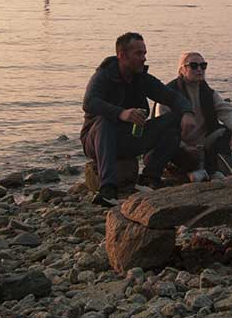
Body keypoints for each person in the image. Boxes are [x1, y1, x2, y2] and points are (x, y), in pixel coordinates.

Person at [82, 32, 193, 201]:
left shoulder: (142, 78)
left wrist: (187, 112)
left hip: (131, 137)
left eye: (145, 53)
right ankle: (108, 189)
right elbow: (89, 102)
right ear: (122, 56)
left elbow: (171, 97)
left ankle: (149, 178)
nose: (144, 58)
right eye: (139, 54)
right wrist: (121, 113)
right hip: (97, 139)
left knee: (174, 119)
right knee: (105, 121)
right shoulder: (103, 76)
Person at [164, 51, 232, 179]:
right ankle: (190, 170)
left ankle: (211, 169)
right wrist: (183, 146)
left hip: (203, 143)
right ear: (182, 69)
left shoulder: (207, 91)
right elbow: (162, 127)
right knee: (169, 143)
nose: (199, 69)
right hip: (179, 143)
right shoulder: (169, 92)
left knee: (226, 132)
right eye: (194, 65)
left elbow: (226, 110)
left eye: (203, 65)